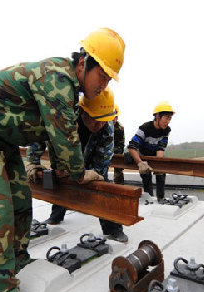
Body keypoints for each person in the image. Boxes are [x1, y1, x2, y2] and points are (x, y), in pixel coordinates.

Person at [0, 28, 125, 292]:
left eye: (108, 79)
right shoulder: (58, 80)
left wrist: (68, 169)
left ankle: (16, 260)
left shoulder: (68, 89)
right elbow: (66, 141)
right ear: (83, 64)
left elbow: (56, 143)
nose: (103, 85)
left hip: (0, 136)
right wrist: (80, 173)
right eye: (102, 76)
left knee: (20, 200)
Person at [26, 88, 128, 243]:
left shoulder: (107, 128)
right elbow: (41, 133)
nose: (99, 124)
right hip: (64, 158)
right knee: (60, 180)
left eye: (104, 120)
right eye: (95, 119)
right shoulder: (63, 117)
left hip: (91, 159)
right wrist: (33, 162)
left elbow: (102, 164)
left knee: (103, 186)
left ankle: (113, 229)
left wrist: (90, 174)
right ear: (82, 112)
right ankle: (56, 216)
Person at [127, 101, 175, 201]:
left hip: (154, 155)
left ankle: (161, 198)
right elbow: (132, 147)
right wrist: (140, 163)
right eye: (166, 118)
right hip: (143, 155)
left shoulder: (166, 130)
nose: (168, 121)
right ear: (157, 117)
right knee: (146, 176)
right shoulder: (145, 128)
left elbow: (160, 148)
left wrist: (158, 163)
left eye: (170, 118)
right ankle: (149, 199)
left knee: (161, 172)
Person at [112, 106, 125, 185]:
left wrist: (115, 154)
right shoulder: (101, 125)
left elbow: (121, 144)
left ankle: (119, 186)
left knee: (119, 167)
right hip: (103, 150)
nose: (114, 119)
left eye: (116, 117)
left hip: (115, 150)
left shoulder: (120, 128)